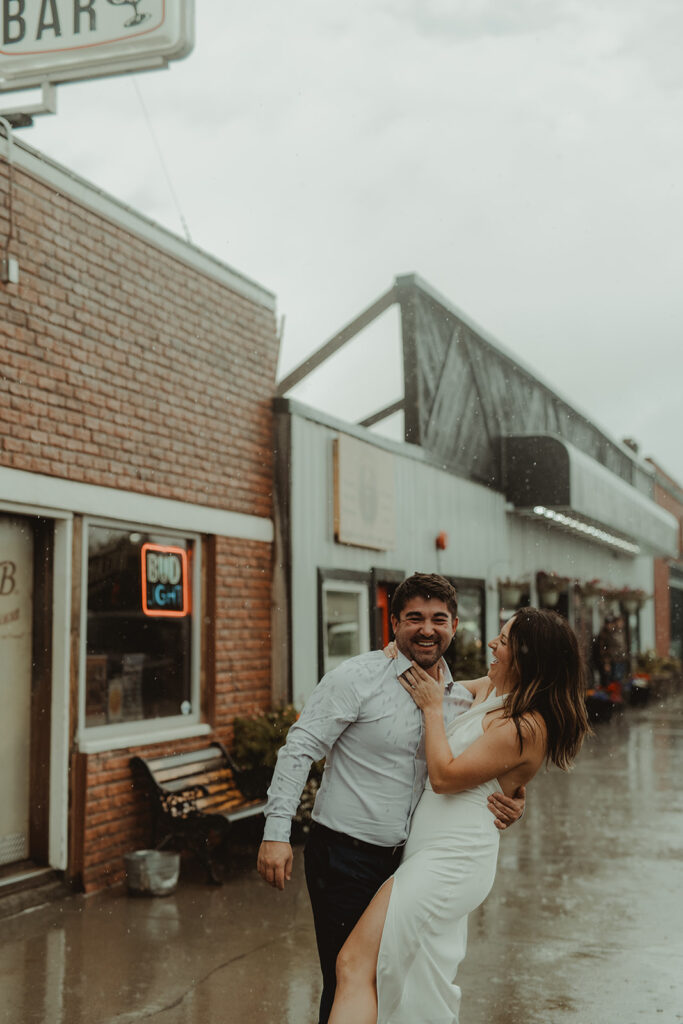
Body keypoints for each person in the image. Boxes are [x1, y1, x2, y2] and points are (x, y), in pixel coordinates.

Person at [257, 573, 525, 1024]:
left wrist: (513, 796)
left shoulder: (457, 698)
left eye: (438, 619)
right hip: (344, 856)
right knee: (348, 976)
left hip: (409, 864)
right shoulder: (356, 679)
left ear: (454, 626)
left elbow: (487, 758)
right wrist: (275, 833)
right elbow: (298, 748)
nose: (427, 629)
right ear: (394, 623)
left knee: (393, 982)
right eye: (414, 618)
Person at [327, 607, 591, 1024]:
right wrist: (393, 659)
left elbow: (446, 777)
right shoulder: (491, 689)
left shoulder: (528, 726)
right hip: (427, 853)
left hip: (452, 861)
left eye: (502, 641)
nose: (492, 644)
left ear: (526, 658)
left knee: (354, 963)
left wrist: (434, 711)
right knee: (411, 981)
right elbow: (428, 688)